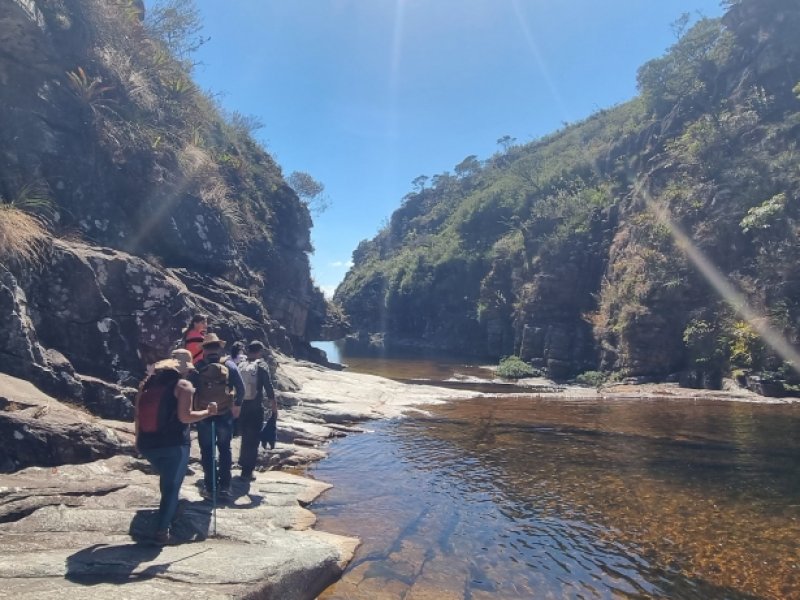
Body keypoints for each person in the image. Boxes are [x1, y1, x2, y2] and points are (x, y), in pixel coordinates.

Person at [135, 349, 217, 545]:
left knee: (167, 482)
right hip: (174, 445)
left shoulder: (147, 384)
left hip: (147, 444)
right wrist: (208, 412)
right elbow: (185, 417)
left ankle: (168, 512)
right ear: (185, 369)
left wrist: (137, 441)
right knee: (172, 488)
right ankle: (163, 531)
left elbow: (137, 415)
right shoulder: (183, 385)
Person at [190, 333, 244, 501]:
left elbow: (189, 389)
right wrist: (237, 405)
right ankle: (226, 487)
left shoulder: (197, 366)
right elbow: (241, 389)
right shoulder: (229, 365)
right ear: (219, 348)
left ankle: (210, 486)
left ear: (204, 350)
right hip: (224, 414)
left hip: (204, 414)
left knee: (207, 451)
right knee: (225, 449)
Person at [236, 340, 277, 481]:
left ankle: (242, 465)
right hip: (255, 408)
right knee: (252, 440)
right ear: (259, 351)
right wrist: (274, 408)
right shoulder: (261, 365)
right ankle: (247, 472)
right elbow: (269, 387)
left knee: (244, 438)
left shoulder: (240, 364)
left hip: (241, 407)